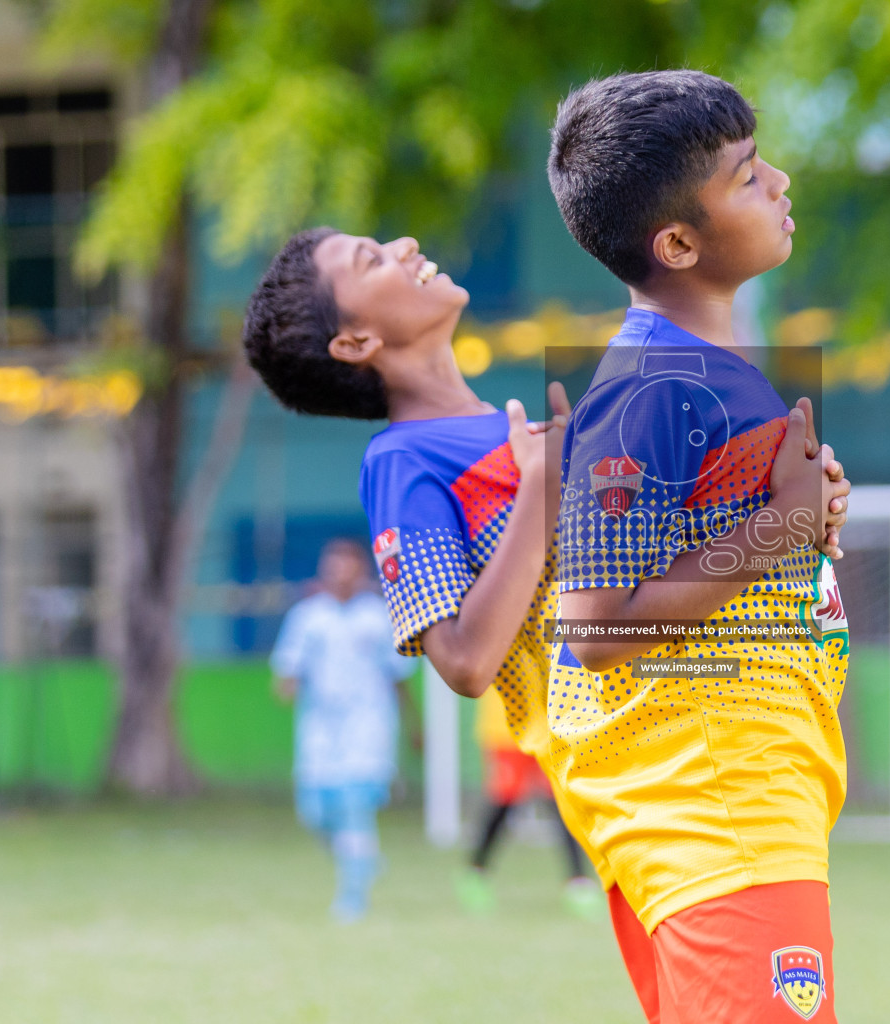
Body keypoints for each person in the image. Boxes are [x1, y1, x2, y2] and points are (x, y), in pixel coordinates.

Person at [546, 69, 852, 1022]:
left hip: (738, 798)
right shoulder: (653, 386)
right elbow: (593, 625)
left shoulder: (705, 379)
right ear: (677, 242)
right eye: (748, 174)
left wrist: (805, 521)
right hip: (719, 804)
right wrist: (779, 531)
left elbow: (717, 553)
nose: (780, 182)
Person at [240, 224, 617, 913]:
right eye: (372, 258)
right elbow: (465, 662)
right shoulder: (404, 460)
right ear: (355, 342)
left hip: (712, 742)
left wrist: (786, 524)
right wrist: (538, 491)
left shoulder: (521, 437)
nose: (407, 244)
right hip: (649, 783)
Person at [270, 537, 420, 922]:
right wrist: (286, 683)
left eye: (347, 566)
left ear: (361, 571)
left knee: (354, 809)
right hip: (319, 731)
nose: (339, 574)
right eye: (332, 566)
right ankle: (362, 858)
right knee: (315, 813)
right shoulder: (307, 617)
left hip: (368, 729)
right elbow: (286, 671)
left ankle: (352, 897)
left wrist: (413, 726)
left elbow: (398, 677)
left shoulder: (379, 617)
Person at [457, 686, 601, 918]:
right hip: (505, 726)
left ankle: (579, 882)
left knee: (563, 804)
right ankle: (476, 872)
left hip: (551, 725)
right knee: (504, 802)